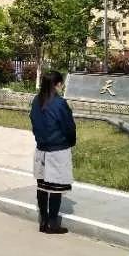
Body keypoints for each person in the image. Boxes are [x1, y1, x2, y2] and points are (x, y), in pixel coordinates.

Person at [30, 70, 76, 235]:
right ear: (57, 84)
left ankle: (43, 221)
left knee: (42, 187)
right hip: (57, 150)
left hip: (41, 150)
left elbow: (34, 123)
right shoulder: (59, 103)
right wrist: (71, 142)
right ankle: (52, 223)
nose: (62, 86)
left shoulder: (37, 100)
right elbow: (69, 127)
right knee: (56, 188)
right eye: (61, 84)